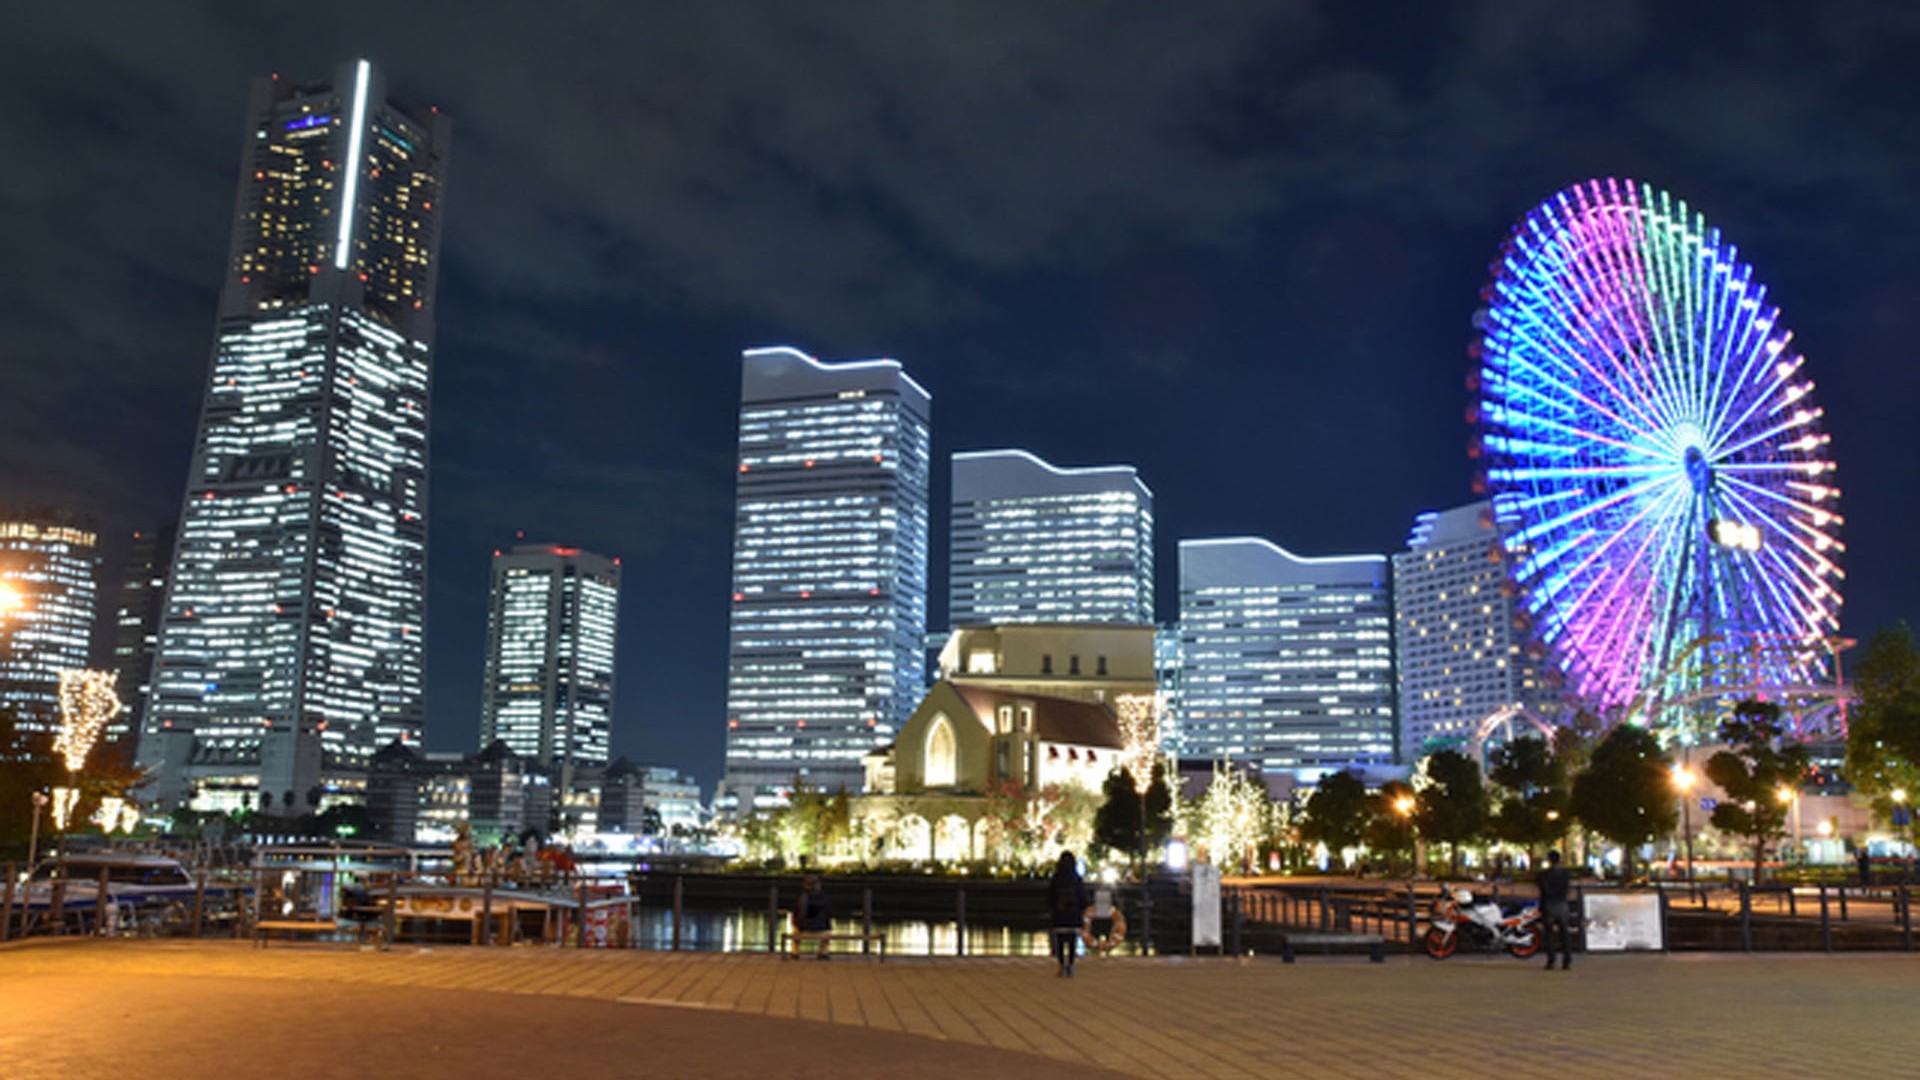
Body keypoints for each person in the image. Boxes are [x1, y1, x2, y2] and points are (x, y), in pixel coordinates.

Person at [1046, 851, 1088, 977]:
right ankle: (1070, 965)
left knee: (1060, 941)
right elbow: (1083, 898)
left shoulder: (1056, 879)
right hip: (1073, 915)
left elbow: (1050, 897)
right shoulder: (1077, 879)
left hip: (1059, 914)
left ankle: (1061, 965)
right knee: (1072, 941)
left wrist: (1053, 908)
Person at [1536, 848, 1573, 971]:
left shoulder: (1544, 875)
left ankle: (1551, 960)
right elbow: (1567, 888)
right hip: (1562, 904)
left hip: (1549, 904)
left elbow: (1542, 891)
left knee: (1549, 934)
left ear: (1549, 860)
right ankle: (1566, 960)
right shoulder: (1565, 874)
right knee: (1564, 933)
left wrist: (1541, 907)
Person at [798, 874, 833, 960]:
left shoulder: (802, 897)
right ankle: (823, 952)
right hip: (822, 929)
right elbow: (828, 913)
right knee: (827, 931)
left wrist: (800, 924)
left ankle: (795, 951)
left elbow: (800, 913)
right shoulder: (825, 898)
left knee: (795, 930)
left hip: (804, 929)